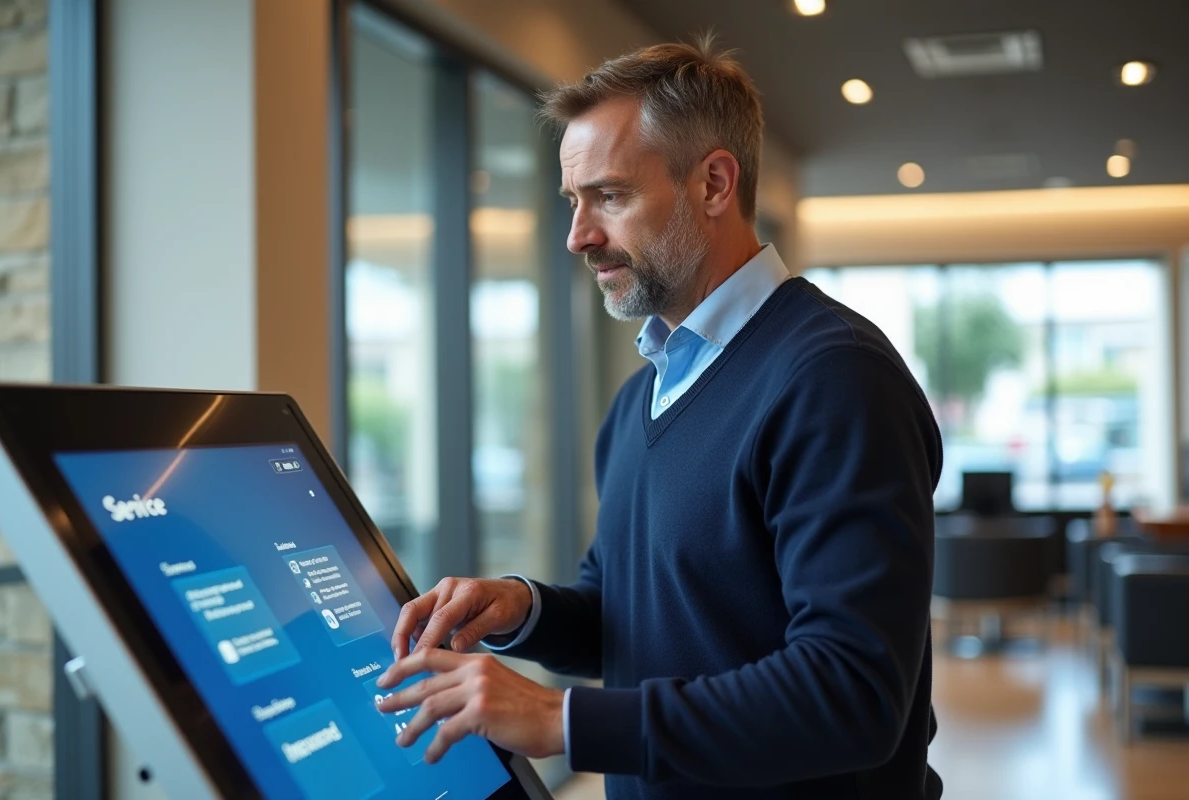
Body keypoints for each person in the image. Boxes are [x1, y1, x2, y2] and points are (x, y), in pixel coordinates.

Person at [375, 36, 943, 800]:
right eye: (573, 203)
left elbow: (854, 694)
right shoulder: (641, 398)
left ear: (713, 183)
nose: (579, 235)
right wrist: (521, 608)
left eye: (608, 196)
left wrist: (563, 721)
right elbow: (632, 622)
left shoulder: (834, 376)